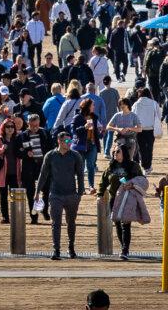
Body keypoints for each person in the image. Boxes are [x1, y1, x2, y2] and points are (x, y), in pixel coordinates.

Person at [36, 131, 85, 260]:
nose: (70, 144)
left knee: (71, 223)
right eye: (67, 141)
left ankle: (71, 248)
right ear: (59, 141)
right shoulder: (50, 156)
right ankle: (56, 250)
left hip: (71, 195)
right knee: (56, 223)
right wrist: (37, 192)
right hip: (55, 194)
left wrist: (80, 193)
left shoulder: (75, 156)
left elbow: (80, 175)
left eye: (70, 141)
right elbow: (43, 175)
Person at [97, 144, 143, 259]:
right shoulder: (111, 166)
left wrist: (132, 184)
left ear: (124, 153)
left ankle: (125, 250)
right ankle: (123, 246)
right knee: (117, 223)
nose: (115, 154)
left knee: (125, 224)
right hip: (114, 198)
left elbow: (142, 180)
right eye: (114, 152)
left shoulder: (133, 166)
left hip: (128, 198)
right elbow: (103, 181)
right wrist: (100, 194)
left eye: (118, 152)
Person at [0, 120, 24, 224]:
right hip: (2, 173)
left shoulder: (16, 139)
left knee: (14, 196)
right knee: (3, 196)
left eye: (12, 126)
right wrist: (1, 150)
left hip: (14, 173)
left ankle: (16, 216)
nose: (10, 128)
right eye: (8, 126)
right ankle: (5, 217)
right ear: (3, 128)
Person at [20, 113, 52, 223]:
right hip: (29, 166)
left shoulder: (45, 133)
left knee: (46, 189)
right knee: (30, 192)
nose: (34, 128)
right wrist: (25, 153)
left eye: (36, 125)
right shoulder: (23, 135)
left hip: (43, 165)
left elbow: (51, 148)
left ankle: (45, 209)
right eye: (32, 125)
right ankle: (34, 216)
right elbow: (17, 151)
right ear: (27, 124)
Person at [70, 98, 103, 193]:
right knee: (80, 167)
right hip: (80, 145)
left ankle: (91, 186)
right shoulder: (77, 117)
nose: (94, 107)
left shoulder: (94, 117)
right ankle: (81, 188)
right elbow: (73, 131)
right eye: (92, 105)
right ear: (87, 106)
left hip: (92, 144)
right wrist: (84, 127)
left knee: (91, 166)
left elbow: (96, 133)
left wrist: (101, 132)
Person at [131, 88, 160, 173]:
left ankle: (145, 166)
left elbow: (133, 115)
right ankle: (148, 165)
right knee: (149, 147)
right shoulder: (154, 103)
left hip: (139, 129)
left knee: (141, 148)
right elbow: (158, 115)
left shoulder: (136, 104)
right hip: (150, 129)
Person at [98, 76, 120, 158]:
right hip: (113, 115)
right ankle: (107, 151)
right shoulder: (114, 91)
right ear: (110, 82)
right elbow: (119, 104)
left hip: (104, 116)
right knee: (110, 134)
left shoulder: (101, 92)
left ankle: (105, 151)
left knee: (105, 134)